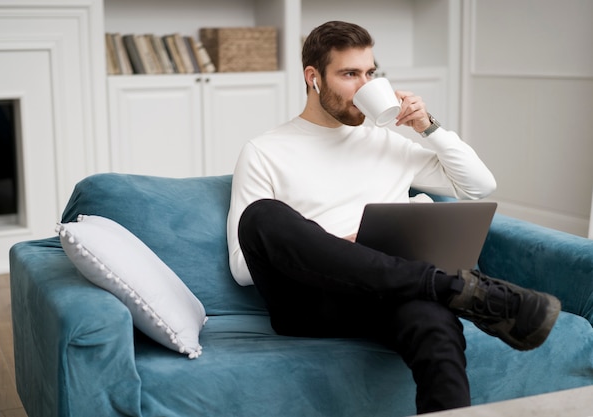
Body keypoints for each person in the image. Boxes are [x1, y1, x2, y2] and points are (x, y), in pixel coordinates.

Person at [226, 21, 560, 414]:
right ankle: (456, 287)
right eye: (350, 74)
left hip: (387, 294)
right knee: (261, 216)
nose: (364, 86)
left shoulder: (387, 144)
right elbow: (242, 266)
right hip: (312, 301)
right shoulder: (265, 150)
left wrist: (427, 126)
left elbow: (478, 185)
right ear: (313, 78)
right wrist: (336, 247)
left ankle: (446, 293)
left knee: (433, 320)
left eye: (370, 74)